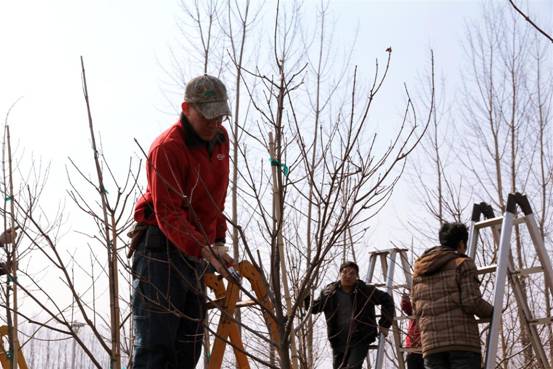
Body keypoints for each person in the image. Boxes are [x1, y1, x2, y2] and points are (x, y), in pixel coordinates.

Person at [131, 74, 236, 369]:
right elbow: (168, 213)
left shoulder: (220, 141)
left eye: (220, 116)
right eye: (208, 116)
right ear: (187, 108)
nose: (215, 123)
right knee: (155, 350)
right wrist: (204, 248)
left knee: (188, 348)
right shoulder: (167, 148)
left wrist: (218, 241)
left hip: (195, 250)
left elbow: (216, 198)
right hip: (160, 249)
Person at [412, 222, 493, 369]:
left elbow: (416, 310)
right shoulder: (462, 263)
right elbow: (471, 302)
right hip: (461, 344)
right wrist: (493, 312)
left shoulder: (419, 270)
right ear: (461, 243)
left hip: (431, 347)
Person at [308, 261, 395, 369]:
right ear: (340, 274)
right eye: (345, 272)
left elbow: (387, 300)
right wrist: (304, 295)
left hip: (360, 338)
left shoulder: (365, 291)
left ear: (356, 276)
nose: (348, 276)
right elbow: (314, 308)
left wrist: (384, 324)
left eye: (352, 273)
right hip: (338, 341)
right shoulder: (329, 293)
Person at [400, 292, 424, 369]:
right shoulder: (414, 309)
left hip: (425, 348)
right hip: (413, 348)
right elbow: (406, 307)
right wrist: (405, 299)